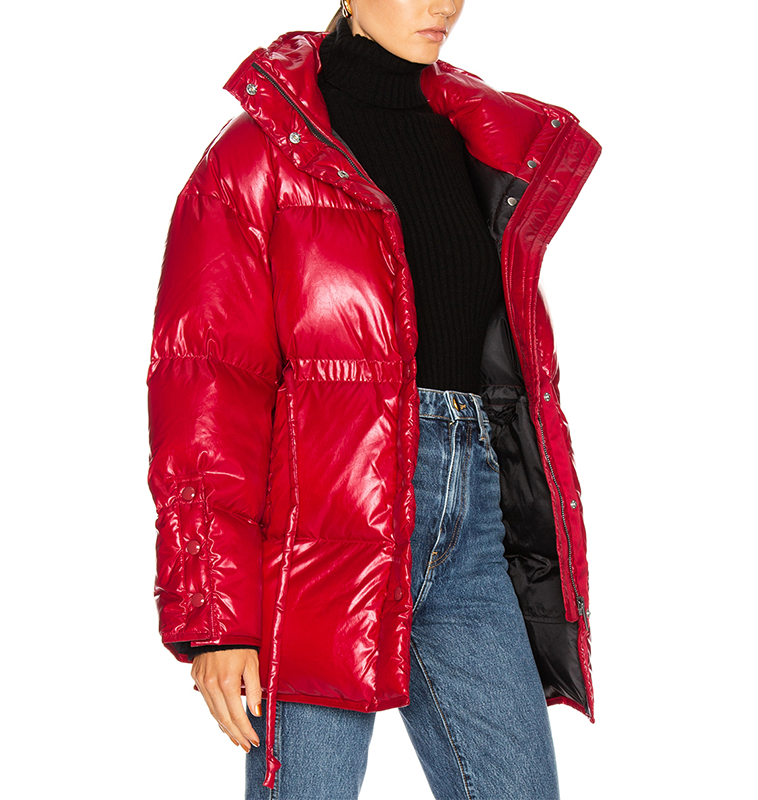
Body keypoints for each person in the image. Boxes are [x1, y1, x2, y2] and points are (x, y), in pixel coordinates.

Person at [147, 1, 600, 797]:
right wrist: (218, 617)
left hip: (471, 527)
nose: (443, 4)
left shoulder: (475, 142)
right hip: (319, 539)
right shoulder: (257, 156)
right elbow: (207, 389)